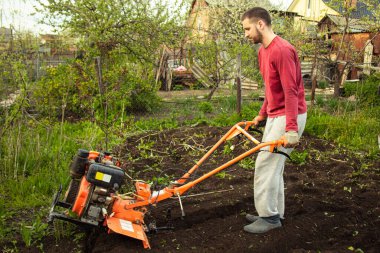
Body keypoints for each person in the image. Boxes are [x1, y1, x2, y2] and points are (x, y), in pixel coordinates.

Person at [241, 7, 307, 233]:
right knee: (273, 167)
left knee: (266, 164)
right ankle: (273, 212)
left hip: (290, 115)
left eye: (247, 29)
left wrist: (291, 129)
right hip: (276, 114)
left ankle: (268, 217)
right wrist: (262, 113)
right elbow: (272, 89)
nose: (246, 34)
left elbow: (290, 91)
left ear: (260, 24)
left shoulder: (282, 50)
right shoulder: (263, 52)